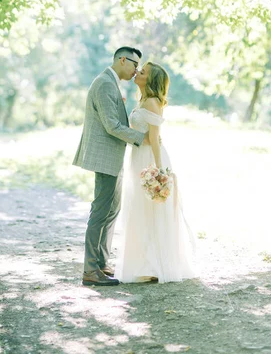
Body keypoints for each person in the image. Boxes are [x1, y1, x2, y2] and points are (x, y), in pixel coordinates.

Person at [115, 62, 197, 283]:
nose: (137, 73)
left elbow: (153, 138)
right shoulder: (142, 100)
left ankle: (155, 264)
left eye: (142, 72)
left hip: (150, 158)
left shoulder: (151, 102)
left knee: (152, 210)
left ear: (150, 80)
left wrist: (160, 172)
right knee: (140, 209)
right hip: (138, 157)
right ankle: (144, 262)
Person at [73, 46, 147, 287]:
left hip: (112, 157)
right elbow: (111, 126)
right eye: (135, 65)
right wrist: (141, 138)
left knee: (112, 211)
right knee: (101, 212)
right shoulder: (105, 83)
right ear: (122, 60)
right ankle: (91, 270)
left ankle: (102, 264)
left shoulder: (110, 83)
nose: (136, 71)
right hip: (105, 157)